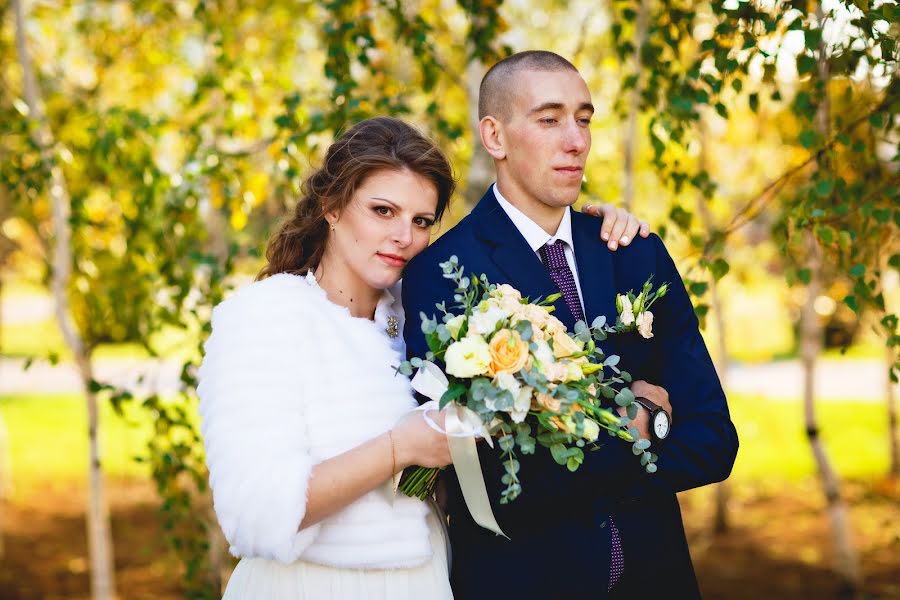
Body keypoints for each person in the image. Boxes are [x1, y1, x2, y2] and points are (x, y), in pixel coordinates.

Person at [197, 116, 646, 599]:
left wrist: (599, 230)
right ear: (331, 206)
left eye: (421, 221)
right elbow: (256, 514)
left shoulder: (427, 319)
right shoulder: (266, 317)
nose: (403, 237)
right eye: (382, 211)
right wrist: (400, 447)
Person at [401, 51, 740, 598]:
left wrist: (628, 433)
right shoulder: (443, 273)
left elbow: (714, 441)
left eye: (584, 119)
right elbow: (491, 480)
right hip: (523, 582)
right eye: (549, 118)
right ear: (495, 136)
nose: (576, 140)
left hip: (659, 579)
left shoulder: (636, 254)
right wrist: (644, 426)